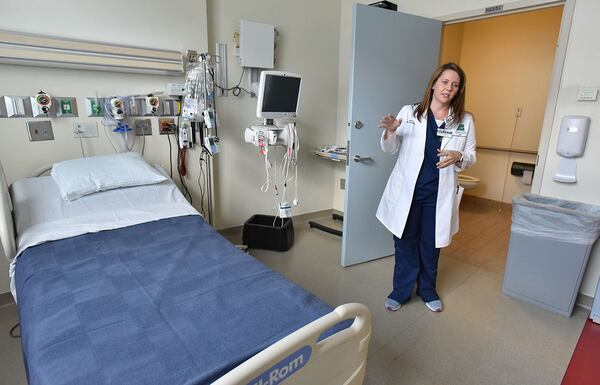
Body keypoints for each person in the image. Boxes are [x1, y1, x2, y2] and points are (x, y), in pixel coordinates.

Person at [376, 62, 476, 313]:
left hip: (437, 194)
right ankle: (400, 292)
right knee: (405, 243)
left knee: (430, 245)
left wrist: (459, 156)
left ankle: (427, 290)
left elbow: (472, 155)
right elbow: (390, 149)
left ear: (459, 90)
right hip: (408, 194)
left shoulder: (464, 120)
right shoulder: (410, 112)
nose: (449, 88)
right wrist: (390, 132)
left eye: (455, 85)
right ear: (434, 83)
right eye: (445, 82)